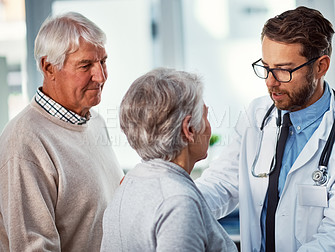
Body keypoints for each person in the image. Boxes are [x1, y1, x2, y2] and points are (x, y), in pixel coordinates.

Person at [195, 6, 335, 252]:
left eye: (283, 70)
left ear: (320, 67)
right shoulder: (256, 116)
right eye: (266, 67)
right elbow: (220, 185)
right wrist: (172, 202)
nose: (270, 81)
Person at [0, 12, 124, 251]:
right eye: (86, 65)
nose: (101, 76)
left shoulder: (93, 120)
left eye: (103, 61)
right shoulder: (24, 142)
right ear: (49, 67)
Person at [100, 68, 237, 252]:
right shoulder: (179, 202)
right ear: (189, 129)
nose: (209, 128)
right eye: (205, 116)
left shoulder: (129, 184)